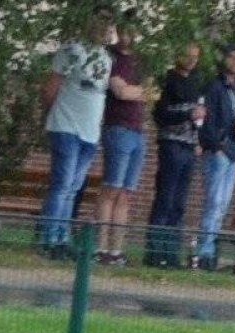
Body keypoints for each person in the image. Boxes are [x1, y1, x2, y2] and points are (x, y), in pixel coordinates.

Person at [37, 5, 114, 260]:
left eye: (108, 25)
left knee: (73, 187)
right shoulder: (72, 49)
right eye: (101, 23)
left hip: (89, 132)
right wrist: (53, 115)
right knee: (61, 184)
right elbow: (51, 87)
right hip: (66, 126)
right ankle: (48, 238)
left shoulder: (105, 58)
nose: (105, 30)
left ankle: (62, 236)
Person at [94, 12, 152, 266]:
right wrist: (140, 92)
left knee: (125, 193)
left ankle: (116, 250)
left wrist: (137, 92)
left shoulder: (142, 61)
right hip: (118, 127)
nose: (128, 36)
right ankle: (100, 247)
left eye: (133, 31)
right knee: (111, 188)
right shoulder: (111, 58)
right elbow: (120, 92)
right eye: (124, 30)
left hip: (139, 130)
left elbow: (152, 92)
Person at [143, 42, 206, 268]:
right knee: (165, 199)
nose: (191, 60)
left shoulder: (195, 83)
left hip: (189, 146)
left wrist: (198, 137)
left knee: (179, 202)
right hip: (171, 144)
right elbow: (161, 114)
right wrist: (188, 113)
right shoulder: (167, 80)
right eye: (187, 54)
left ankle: (171, 253)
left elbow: (198, 116)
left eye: (195, 56)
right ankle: (154, 252)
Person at [195, 43, 235, 271]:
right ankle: (204, 250)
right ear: (224, 60)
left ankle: (212, 247)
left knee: (223, 204)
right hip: (218, 149)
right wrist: (215, 146)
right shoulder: (214, 86)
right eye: (232, 57)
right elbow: (206, 119)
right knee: (213, 201)